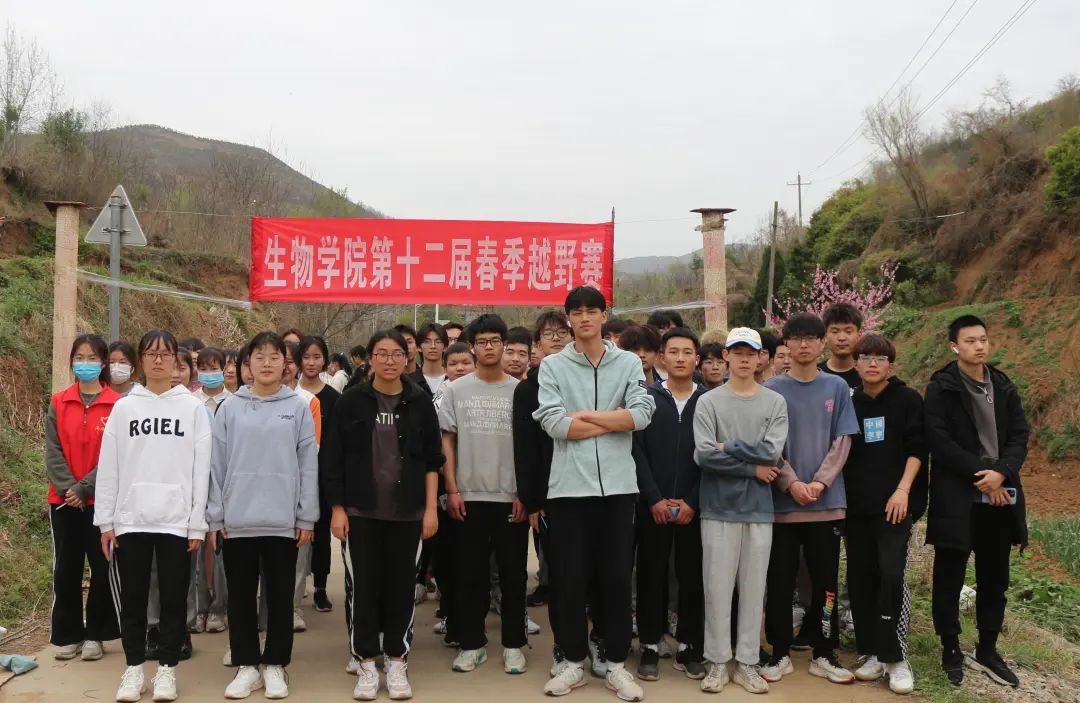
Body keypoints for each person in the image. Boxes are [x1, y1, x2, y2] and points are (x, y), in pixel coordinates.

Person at [534, 286, 655, 701]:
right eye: (577, 312)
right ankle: (572, 661)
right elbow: (554, 424)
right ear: (569, 318)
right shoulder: (553, 366)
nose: (584, 318)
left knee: (617, 578)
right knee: (569, 578)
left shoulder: (627, 363)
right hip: (569, 489)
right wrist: (613, 420)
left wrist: (585, 416)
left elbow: (641, 415)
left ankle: (616, 664)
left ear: (605, 315)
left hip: (619, 489)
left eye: (592, 311)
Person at [323, 329, 442, 701]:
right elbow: (333, 459)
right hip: (361, 512)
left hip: (408, 513)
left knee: (401, 589)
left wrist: (430, 510)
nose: (389, 360)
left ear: (407, 359)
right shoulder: (351, 402)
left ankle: (396, 659)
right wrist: (337, 509)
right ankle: (365, 662)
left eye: (396, 354)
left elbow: (432, 461)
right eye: (381, 353)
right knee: (363, 588)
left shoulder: (420, 402)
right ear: (369, 358)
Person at [95, 329, 212, 703]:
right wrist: (106, 521)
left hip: (176, 521)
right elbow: (109, 467)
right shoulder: (125, 407)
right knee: (134, 599)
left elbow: (201, 470)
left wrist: (197, 523)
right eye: (150, 353)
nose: (158, 360)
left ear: (177, 360)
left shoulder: (192, 408)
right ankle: (133, 669)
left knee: (174, 600)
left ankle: (167, 670)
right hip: (132, 519)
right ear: (140, 360)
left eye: (165, 354)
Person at [207, 331, 319, 700]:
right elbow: (217, 465)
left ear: (285, 364)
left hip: (283, 521)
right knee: (240, 596)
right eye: (259, 356)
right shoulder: (230, 408)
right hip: (238, 520)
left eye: (274, 356)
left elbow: (308, 465)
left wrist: (306, 516)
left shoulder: (297, 408)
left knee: (280, 596)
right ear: (247, 364)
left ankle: (274, 664)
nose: (267, 363)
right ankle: (246, 665)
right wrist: (216, 516)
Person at [925, 315, 1028, 689]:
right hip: (958, 498)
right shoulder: (942, 388)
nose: (979, 346)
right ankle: (950, 649)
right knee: (949, 577)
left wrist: (1001, 472)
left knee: (994, 579)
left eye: (983, 339)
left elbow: (1020, 435)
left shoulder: (1003, 385)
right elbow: (940, 441)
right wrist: (985, 475)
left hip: (999, 497)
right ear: (954, 346)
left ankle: (987, 649)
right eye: (970, 341)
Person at [760, 312, 860, 686]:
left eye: (811, 338)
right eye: (797, 338)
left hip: (826, 505)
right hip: (782, 507)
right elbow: (767, 445)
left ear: (821, 343)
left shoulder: (837, 387)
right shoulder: (771, 389)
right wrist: (791, 483)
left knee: (826, 584)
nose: (804, 344)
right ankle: (779, 651)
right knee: (779, 581)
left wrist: (819, 483)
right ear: (786, 344)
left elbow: (843, 440)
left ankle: (824, 651)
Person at [693, 327, 789, 694]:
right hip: (718, 508)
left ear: (761, 357)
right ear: (726, 356)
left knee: (753, 588)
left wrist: (728, 446)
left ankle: (747, 661)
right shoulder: (709, 402)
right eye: (738, 352)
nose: (745, 359)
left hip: (759, 509)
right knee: (717, 588)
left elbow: (773, 453)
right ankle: (718, 660)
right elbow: (704, 455)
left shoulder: (774, 402)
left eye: (751, 353)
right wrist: (752, 469)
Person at [439, 314, 529, 675]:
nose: (489, 347)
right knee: (470, 575)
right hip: (468, 496)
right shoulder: (456, 390)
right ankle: (472, 644)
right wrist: (452, 488)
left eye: (495, 341)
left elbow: (530, 447)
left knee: (513, 576)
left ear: (504, 345)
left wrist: (526, 493)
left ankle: (514, 645)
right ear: (472, 346)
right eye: (482, 341)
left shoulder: (521, 391)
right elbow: (447, 441)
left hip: (511, 497)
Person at [843, 333, 926, 695]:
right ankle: (874, 652)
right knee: (861, 578)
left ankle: (897, 657)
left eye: (880, 358)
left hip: (894, 505)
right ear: (856, 363)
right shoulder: (851, 402)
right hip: (856, 507)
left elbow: (918, 448)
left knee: (891, 574)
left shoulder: (907, 399)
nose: (872, 363)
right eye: (865, 357)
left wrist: (903, 490)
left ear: (891, 365)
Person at [632, 328, 707, 682]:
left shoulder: (708, 401)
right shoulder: (647, 399)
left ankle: (689, 645)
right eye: (673, 352)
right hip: (653, 506)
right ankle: (649, 644)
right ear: (661, 357)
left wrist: (693, 500)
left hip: (695, 507)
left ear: (697, 359)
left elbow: (714, 456)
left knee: (692, 576)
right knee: (651, 574)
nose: (680, 358)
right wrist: (653, 498)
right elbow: (636, 451)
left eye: (687, 352)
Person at [47, 334, 122, 663]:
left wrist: (85, 488)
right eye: (80, 357)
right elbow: (52, 450)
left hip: (101, 502)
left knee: (103, 568)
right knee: (66, 568)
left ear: (103, 362)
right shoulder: (59, 401)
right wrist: (69, 488)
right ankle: (67, 634)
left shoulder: (117, 404)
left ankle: (97, 634)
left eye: (92, 358)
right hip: (63, 502)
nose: (86, 363)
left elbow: (115, 455)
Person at [513, 312, 573, 633]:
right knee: (556, 560)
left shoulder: (584, 379)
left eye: (563, 332)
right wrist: (533, 500)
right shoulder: (527, 389)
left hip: (586, 486)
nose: (557, 338)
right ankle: (564, 638)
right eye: (549, 334)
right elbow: (526, 449)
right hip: (548, 491)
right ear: (537, 344)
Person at [298, 336, 341, 614]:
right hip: (296, 475)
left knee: (322, 532)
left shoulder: (334, 398)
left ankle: (321, 588)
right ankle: (295, 585)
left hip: (323, 474)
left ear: (324, 360)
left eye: (317, 357)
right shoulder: (291, 395)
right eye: (306, 357)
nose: (311, 363)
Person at [190, 347, 231, 636]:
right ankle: (199, 606)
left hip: (225, 483)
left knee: (219, 548)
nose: (209, 372)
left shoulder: (234, 402)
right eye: (203, 367)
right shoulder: (191, 403)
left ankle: (219, 606)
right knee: (196, 547)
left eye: (214, 367)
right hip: (196, 481)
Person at [819, 303, 862, 390]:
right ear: (825, 336)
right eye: (835, 331)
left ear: (859, 335)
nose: (842, 338)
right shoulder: (816, 375)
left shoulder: (869, 374)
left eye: (848, 331)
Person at [414, 322, 449, 396]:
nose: (433, 346)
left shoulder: (453, 379)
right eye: (427, 342)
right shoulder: (410, 382)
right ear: (419, 347)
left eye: (438, 342)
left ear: (445, 347)